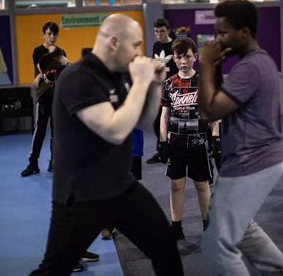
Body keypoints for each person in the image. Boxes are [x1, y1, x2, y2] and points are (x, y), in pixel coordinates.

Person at [29, 14, 183, 275]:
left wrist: (155, 84)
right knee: (54, 269)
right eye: (134, 45)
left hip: (121, 187)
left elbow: (142, 122)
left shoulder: (119, 75)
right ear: (114, 42)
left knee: (165, 246)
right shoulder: (77, 77)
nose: (138, 52)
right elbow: (114, 129)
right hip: (80, 196)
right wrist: (142, 82)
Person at [198, 0, 283, 276]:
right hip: (259, 158)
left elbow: (208, 111)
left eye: (223, 32)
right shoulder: (257, 62)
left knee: (218, 245)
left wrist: (206, 64)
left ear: (243, 32)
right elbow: (220, 99)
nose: (217, 39)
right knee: (242, 229)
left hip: (250, 161)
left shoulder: (250, 67)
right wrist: (217, 67)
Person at [159, 37, 213, 240]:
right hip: (176, 143)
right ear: (173, 58)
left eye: (187, 56)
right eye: (179, 56)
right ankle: (176, 226)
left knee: (202, 185)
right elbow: (164, 116)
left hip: (199, 142)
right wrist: (162, 142)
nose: (183, 61)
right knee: (176, 185)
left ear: (195, 57)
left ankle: (208, 226)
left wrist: (216, 139)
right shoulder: (168, 83)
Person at [21, 22, 65, 177]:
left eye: (54, 34)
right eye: (49, 34)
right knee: (39, 131)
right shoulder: (38, 51)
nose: (52, 37)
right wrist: (41, 74)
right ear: (44, 35)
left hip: (58, 97)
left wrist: (40, 76)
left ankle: (54, 162)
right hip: (44, 97)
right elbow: (44, 68)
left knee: (57, 132)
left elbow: (63, 70)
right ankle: (33, 163)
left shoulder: (61, 52)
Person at [147, 18, 178, 164]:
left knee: (173, 123)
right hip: (160, 90)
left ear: (168, 30)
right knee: (157, 123)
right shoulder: (156, 46)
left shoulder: (176, 45)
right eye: (156, 31)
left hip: (176, 90)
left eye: (162, 31)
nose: (159, 34)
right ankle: (161, 152)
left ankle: (170, 152)